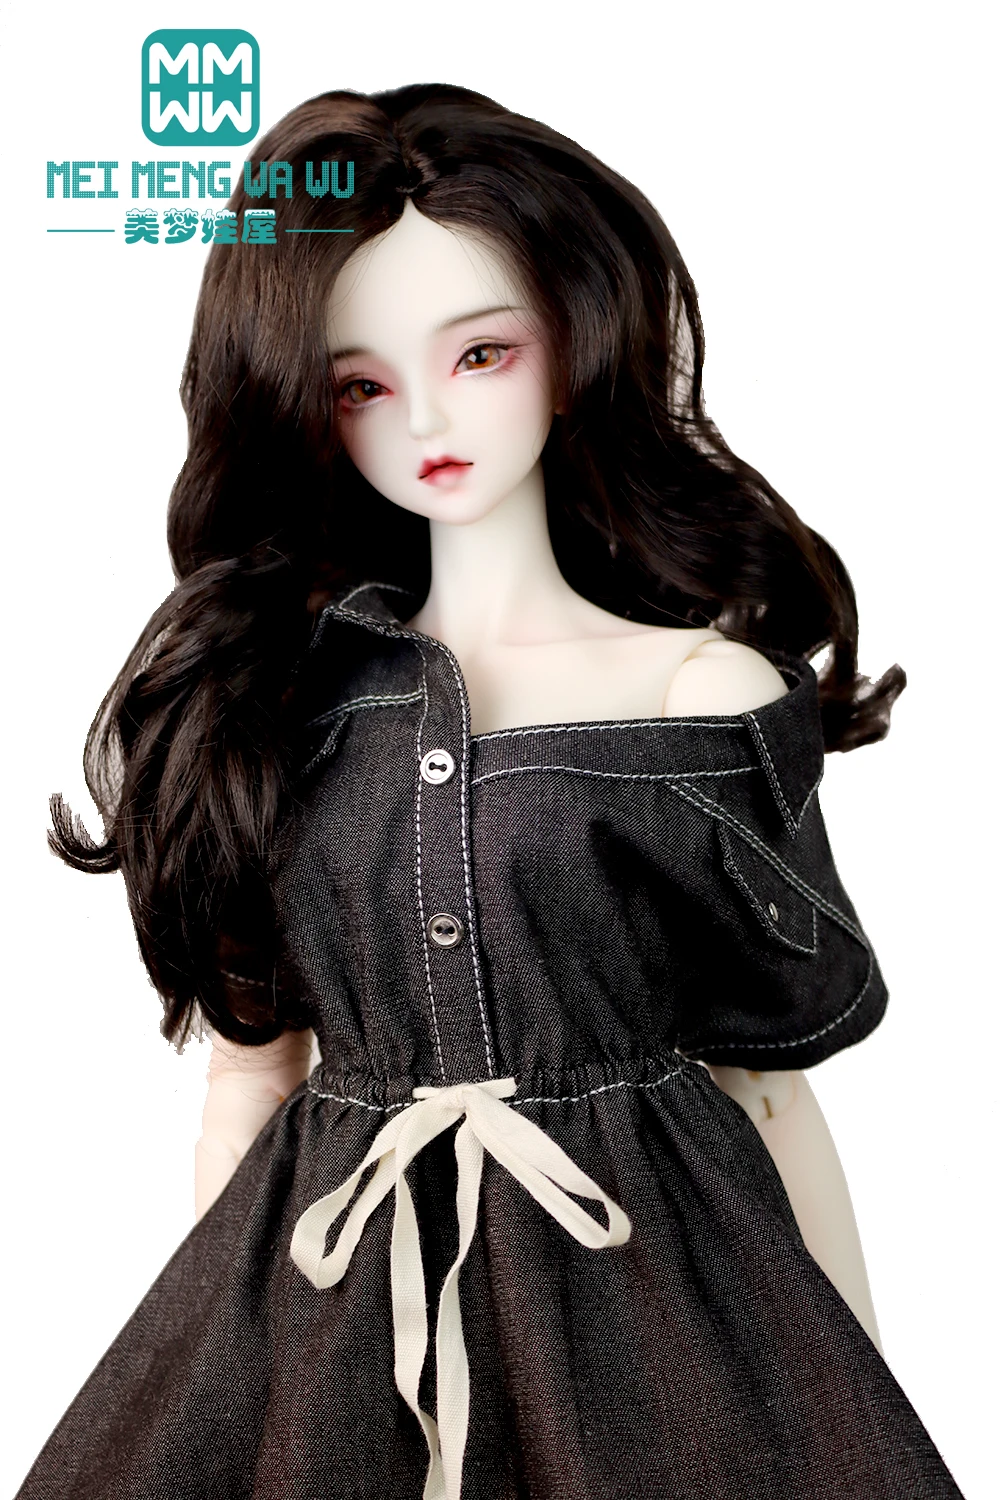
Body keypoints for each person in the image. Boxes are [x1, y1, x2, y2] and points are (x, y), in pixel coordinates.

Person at [19, 83, 964, 1499]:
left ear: (571, 351)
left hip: (652, 1318)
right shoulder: (282, 708)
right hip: (340, 1323)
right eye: (361, 384)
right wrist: (228, 1377)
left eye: (481, 352)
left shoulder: (694, 698)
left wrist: (852, 1412)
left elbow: (768, 1092)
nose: (427, 418)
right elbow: (249, 1076)